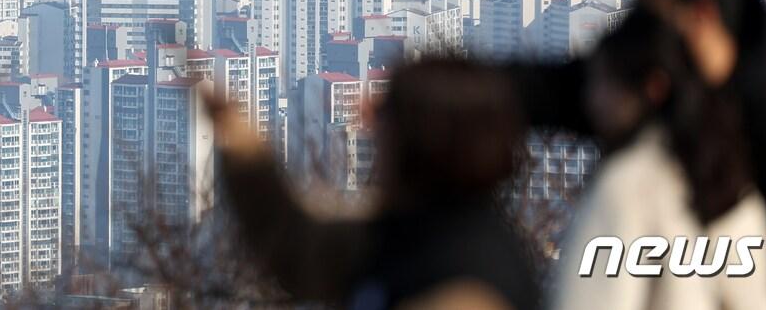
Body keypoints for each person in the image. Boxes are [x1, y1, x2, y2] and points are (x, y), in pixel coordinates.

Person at [511, 0, 766, 257]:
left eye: (650, 14)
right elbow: (559, 90)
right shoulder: (666, 75)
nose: (638, 29)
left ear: (701, 13)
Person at [210, 58, 540, 310]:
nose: (371, 130)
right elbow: (298, 246)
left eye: (386, 116)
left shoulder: (469, 282)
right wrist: (239, 139)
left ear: (422, 141)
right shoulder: (407, 231)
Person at [550, 9, 766, 310]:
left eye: (605, 82)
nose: (593, 99)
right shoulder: (729, 177)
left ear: (652, 88)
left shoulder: (629, 184)